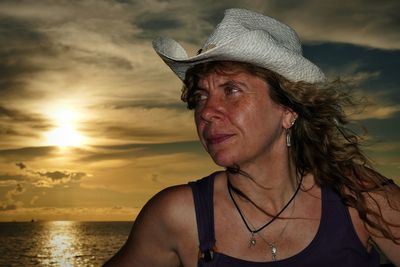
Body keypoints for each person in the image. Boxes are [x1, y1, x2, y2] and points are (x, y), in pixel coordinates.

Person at [104, 8, 400, 267]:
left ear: (288, 110)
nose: (206, 111)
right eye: (201, 95)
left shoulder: (359, 197)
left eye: (231, 90)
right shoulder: (178, 217)